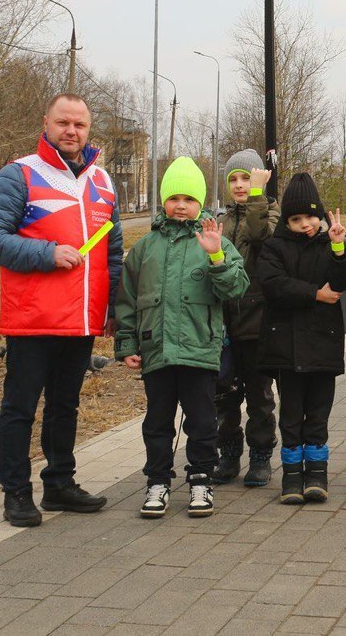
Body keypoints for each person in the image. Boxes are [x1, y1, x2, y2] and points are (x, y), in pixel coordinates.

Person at [0, 94, 123, 528]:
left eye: (79, 124)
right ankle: (16, 493)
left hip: (82, 320)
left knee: (65, 406)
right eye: (63, 123)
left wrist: (114, 305)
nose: (71, 131)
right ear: (46, 123)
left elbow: (113, 251)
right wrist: (46, 253)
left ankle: (59, 484)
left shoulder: (102, 181)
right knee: (20, 408)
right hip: (33, 318)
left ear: (88, 129)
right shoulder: (20, 174)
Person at [115, 157, 249, 519]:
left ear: (200, 203)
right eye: (174, 198)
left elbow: (236, 288)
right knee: (157, 422)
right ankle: (157, 481)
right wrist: (127, 344)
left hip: (198, 351)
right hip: (156, 351)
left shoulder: (214, 240)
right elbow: (128, 300)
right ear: (163, 201)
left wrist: (216, 256)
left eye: (189, 199)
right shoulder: (145, 248)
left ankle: (201, 479)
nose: (180, 205)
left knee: (202, 421)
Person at [255, 175, 346, 505]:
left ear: (320, 215)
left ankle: (316, 474)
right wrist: (314, 294)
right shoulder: (274, 247)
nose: (305, 225)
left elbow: (343, 282)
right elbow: (273, 284)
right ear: (286, 221)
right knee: (291, 415)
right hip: (287, 349)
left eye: (310, 217)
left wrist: (339, 247)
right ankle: (291, 475)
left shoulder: (330, 245)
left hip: (324, 345)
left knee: (318, 414)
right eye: (296, 219)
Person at [212, 149, 280, 488]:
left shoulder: (270, 212)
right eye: (234, 179)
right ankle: (228, 452)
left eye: (247, 178)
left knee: (259, 394)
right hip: (224, 321)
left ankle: (260, 454)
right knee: (223, 392)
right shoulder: (222, 220)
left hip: (257, 320)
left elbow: (258, 235)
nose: (240, 185)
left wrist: (257, 196)